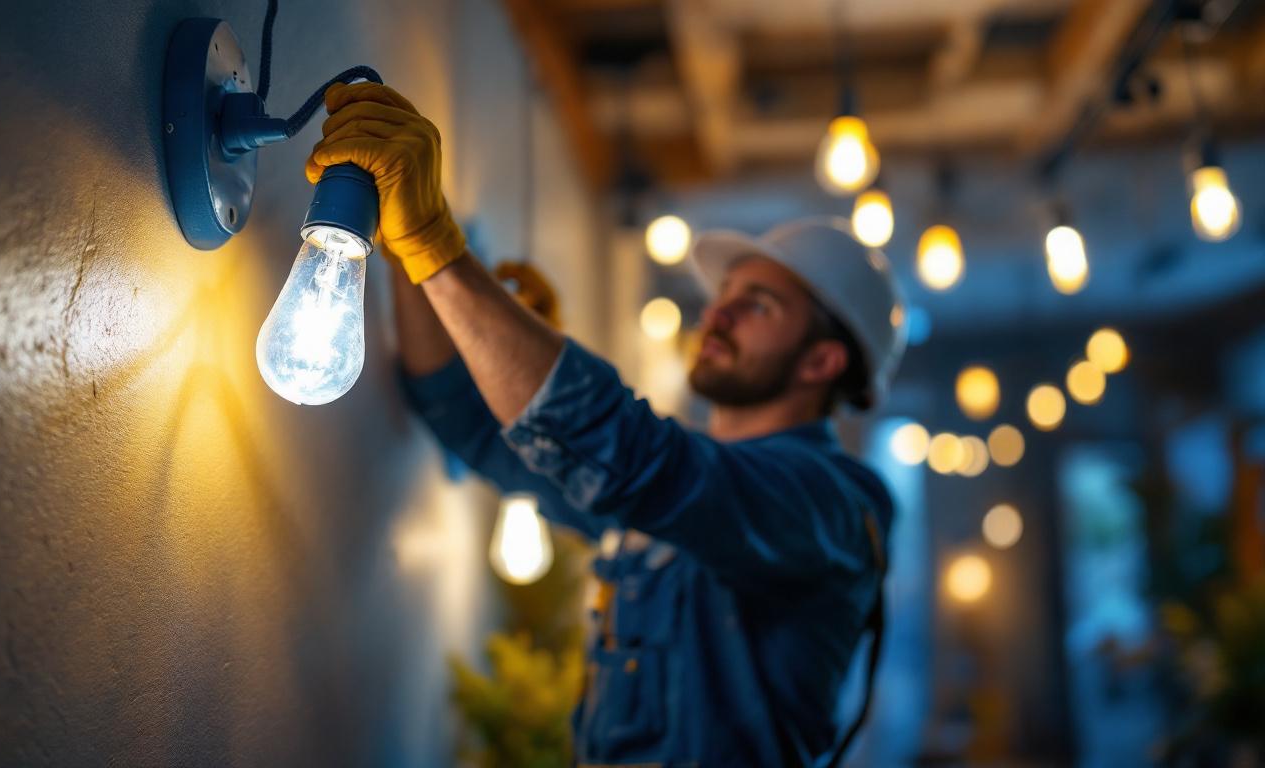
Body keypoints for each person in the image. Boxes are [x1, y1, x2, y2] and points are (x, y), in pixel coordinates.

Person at [308, 81, 907, 767]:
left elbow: (639, 463)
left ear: (823, 360)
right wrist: (408, 254)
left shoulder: (832, 505)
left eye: (759, 306)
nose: (717, 314)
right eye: (725, 297)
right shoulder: (663, 498)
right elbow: (461, 418)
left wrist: (443, 251)